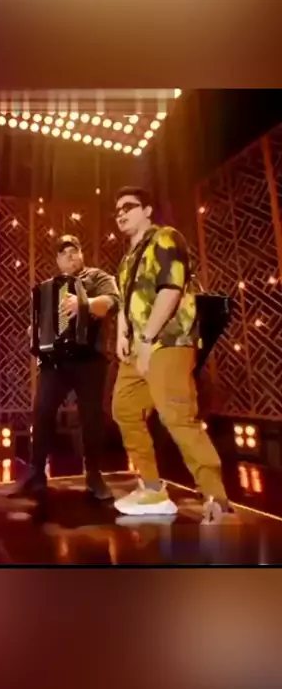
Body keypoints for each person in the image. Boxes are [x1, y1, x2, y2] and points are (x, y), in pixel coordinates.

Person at [110, 186, 233, 522]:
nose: (121, 213)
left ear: (148, 210)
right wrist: (122, 333)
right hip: (138, 347)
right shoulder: (126, 260)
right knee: (124, 408)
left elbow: (171, 289)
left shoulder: (165, 238)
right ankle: (152, 488)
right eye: (117, 210)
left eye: (128, 207)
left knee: (177, 415)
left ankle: (216, 497)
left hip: (169, 340)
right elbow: (124, 302)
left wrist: (147, 336)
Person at [9, 234, 120, 502]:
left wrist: (84, 303)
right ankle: (36, 473)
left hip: (89, 357)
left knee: (91, 416)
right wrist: (37, 330)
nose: (69, 255)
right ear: (57, 260)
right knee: (42, 409)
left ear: (81, 254)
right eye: (63, 253)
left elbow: (112, 303)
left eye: (73, 250)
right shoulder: (51, 287)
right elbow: (43, 321)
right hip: (56, 359)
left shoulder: (98, 277)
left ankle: (93, 474)